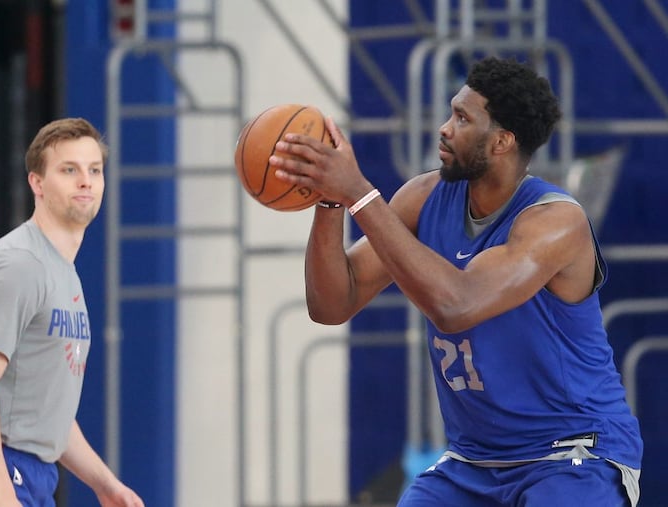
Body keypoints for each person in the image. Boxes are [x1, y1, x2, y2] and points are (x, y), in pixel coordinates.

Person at [270, 57, 643, 506]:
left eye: (463, 118)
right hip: (474, 461)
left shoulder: (555, 222)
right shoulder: (424, 197)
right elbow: (331, 304)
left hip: (571, 454)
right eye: (451, 112)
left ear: (502, 141)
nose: (445, 128)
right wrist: (330, 204)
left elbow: (457, 305)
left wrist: (359, 194)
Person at [0, 118, 144, 506]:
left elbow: (49, 416)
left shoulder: (64, 273)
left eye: (94, 170)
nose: (86, 181)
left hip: (34, 472)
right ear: (37, 183)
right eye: (69, 170)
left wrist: (104, 484)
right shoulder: (19, 265)